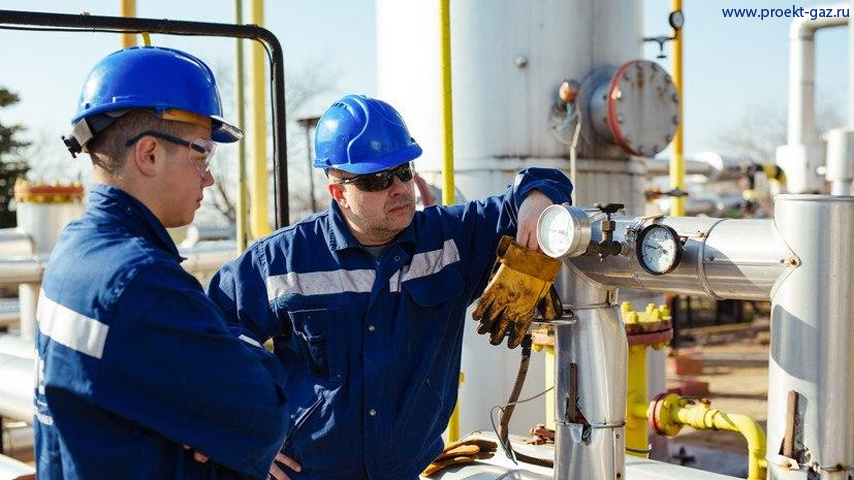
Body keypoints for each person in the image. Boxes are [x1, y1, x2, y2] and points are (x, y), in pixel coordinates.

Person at [206, 94, 573, 480]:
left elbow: (545, 181)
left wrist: (538, 206)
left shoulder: (450, 242)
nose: (398, 188)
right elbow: (211, 339)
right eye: (377, 180)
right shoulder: (284, 260)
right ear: (339, 193)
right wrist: (245, 438)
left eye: (403, 170)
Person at [35, 46, 291, 480]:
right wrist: (239, 368)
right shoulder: (141, 280)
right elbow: (263, 413)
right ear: (149, 154)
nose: (208, 176)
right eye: (201, 153)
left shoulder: (77, 248)